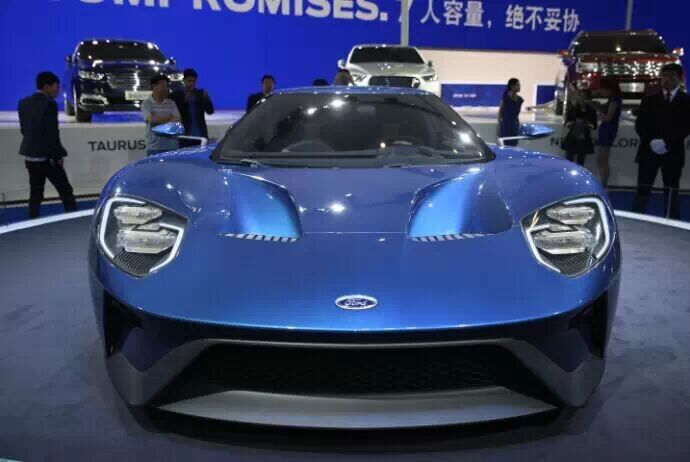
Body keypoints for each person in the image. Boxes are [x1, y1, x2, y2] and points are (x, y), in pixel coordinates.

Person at [632, 63, 690, 219]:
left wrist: (667, 143)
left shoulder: (687, 101)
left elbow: (685, 126)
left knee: (671, 189)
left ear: (680, 79)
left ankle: (672, 222)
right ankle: (635, 220)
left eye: (671, 76)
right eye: (664, 76)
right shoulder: (649, 100)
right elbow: (640, 124)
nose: (666, 79)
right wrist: (651, 141)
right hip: (648, 151)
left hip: (673, 153)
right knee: (643, 188)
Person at [18, 71, 77, 219]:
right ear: (47, 86)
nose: (58, 90)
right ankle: (73, 219)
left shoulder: (23, 103)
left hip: (30, 157)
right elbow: (52, 133)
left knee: (35, 193)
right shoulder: (49, 105)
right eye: (56, 86)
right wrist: (57, 156)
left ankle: (32, 221)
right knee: (65, 191)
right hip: (48, 158)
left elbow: (24, 130)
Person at [170, 68, 214, 147]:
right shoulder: (176, 95)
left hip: (200, 136)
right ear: (184, 81)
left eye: (194, 81)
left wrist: (206, 99)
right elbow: (176, 114)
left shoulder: (200, 94)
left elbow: (210, 111)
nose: (192, 83)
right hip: (185, 136)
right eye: (189, 81)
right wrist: (185, 100)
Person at [141, 74, 181, 156]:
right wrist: (170, 118)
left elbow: (178, 119)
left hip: (172, 146)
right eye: (162, 85)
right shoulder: (146, 103)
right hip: (154, 147)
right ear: (154, 86)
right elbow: (151, 119)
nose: (165, 88)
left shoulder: (171, 103)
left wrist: (158, 118)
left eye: (166, 86)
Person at [594, 78, 622, 187]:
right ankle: (603, 182)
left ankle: (603, 184)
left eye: (602, 89)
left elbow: (608, 117)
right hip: (608, 129)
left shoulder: (614, 100)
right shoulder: (613, 99)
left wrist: (598, 113)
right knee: (601, 159)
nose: (600, 91)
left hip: (608, 130)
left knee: (602, 159)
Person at [562, 90, 597, 166]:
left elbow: (594, 125)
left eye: (584, 97)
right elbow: (566, 122)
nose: (582, 99)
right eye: (580, 96)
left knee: (581, 161)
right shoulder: (573, 109)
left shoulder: (591, 111)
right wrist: (571, 123)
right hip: (572, 137)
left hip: (584, 138)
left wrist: (588, 124)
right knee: (569, 159)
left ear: (588, 98)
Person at [498, 78, 524, 147]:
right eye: (517, 85)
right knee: (505, 144)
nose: (519, 87)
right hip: (506, 125)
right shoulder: (505, 97)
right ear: (512, 86)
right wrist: (501, 123)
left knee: (514, 144)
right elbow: (500, 111)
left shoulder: (520, 100)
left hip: (515, 125)